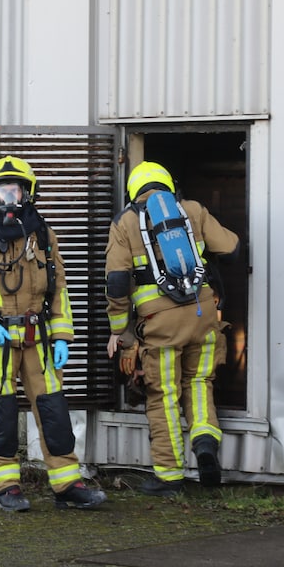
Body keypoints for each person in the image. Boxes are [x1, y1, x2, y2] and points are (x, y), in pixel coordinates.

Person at [0, 155, 107, 512]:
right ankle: (7, 486)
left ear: (28, 192)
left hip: (40, 339)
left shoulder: (43, 235)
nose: (9, 196)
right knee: (2, 411)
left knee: (53, 409)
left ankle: (67, 484)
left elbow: (59, 288)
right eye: (2, 190)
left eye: (15, 189)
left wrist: (63, 335)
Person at [103, 161, 239, 495]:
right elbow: (232, 248)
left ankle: (169, 476)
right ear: (169, 186)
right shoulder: (192, 210)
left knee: (163, 395)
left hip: (159, 325)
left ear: (133, 192)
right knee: (199, 383)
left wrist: (120, 330)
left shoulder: (126, 222)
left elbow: (117, 281)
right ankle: (205, 444)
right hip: (203, 315)